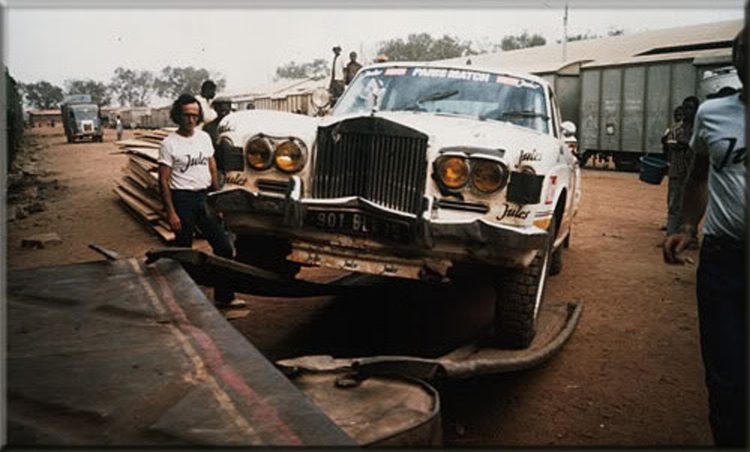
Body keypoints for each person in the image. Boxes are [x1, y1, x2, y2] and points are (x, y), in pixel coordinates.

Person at [663, 28, 746, 447]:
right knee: (726, 375)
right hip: (725, 262)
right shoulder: (714, 115)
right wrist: (685, 226)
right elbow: (696, 178)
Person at [158, 94, 237, 308]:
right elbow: (163, 181)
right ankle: (185, 301)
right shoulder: (169, 143)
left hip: (205, 198)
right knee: (184, 252)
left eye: (194, 115)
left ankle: (224, 296)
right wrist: (171, 213)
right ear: (177, 116)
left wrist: (217, 199)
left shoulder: (204, 138)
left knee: (223, 247)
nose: (191, 120)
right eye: (186, 115)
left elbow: (211, 166)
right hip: (182, 199)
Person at [664, 96, 700, 240]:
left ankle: (690, 237)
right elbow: (671, 145)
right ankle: (670, 236)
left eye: (690, 108)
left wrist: (685, 144)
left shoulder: (699, 129)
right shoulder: (676, 128)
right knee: (674, 205)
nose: (686, 111)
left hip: (694, 174)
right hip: (677, 171)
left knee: (692, 207)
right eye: (684, 108)